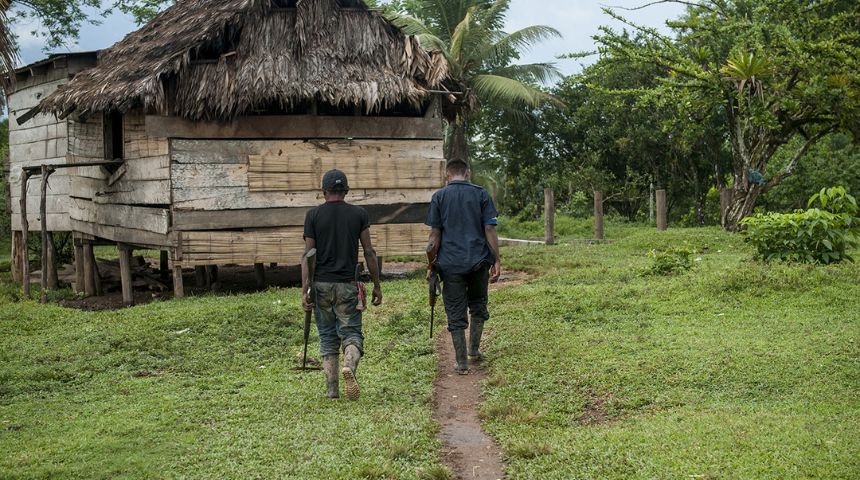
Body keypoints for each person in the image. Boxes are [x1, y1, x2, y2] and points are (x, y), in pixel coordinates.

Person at [302, 169, 382, 400]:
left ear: (323, 191)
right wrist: (377, 285)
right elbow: (368, 251)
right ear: (346, 191)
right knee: (352, 333)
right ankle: (350, 365)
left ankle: (332, 391)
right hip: (348, 285)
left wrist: (305, 289)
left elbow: (307, 255)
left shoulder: (313, 215)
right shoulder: (359, 214)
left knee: (327, 337)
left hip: (321, 286)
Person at [425, 158, 501, 375]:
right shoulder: (481, 194)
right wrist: (496, 259)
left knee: (455, 311)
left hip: (450, 264)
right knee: (478, 303)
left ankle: (461, 363)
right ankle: (474, 350)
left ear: (447, 175)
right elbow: (489, 229)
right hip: (479, 262)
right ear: (467, 173)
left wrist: (430, 264)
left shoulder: (439, 196)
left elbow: (434, 235)